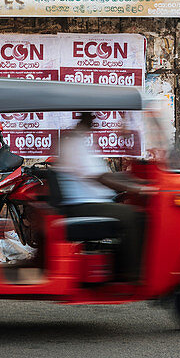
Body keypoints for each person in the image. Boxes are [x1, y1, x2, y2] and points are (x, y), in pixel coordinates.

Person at [57, 112, 152, 282]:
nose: (95, 119)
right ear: (84, 117)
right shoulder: (76, 144)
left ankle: (121, 267)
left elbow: (104, 174)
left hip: (91, 201)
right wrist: (137, 189)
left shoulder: (80, 141)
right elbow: (100, 177)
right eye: (91, 115)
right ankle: (132, 274)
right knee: (135, 216)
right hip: (83, 206)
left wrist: (134, 179)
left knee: (131, 213)